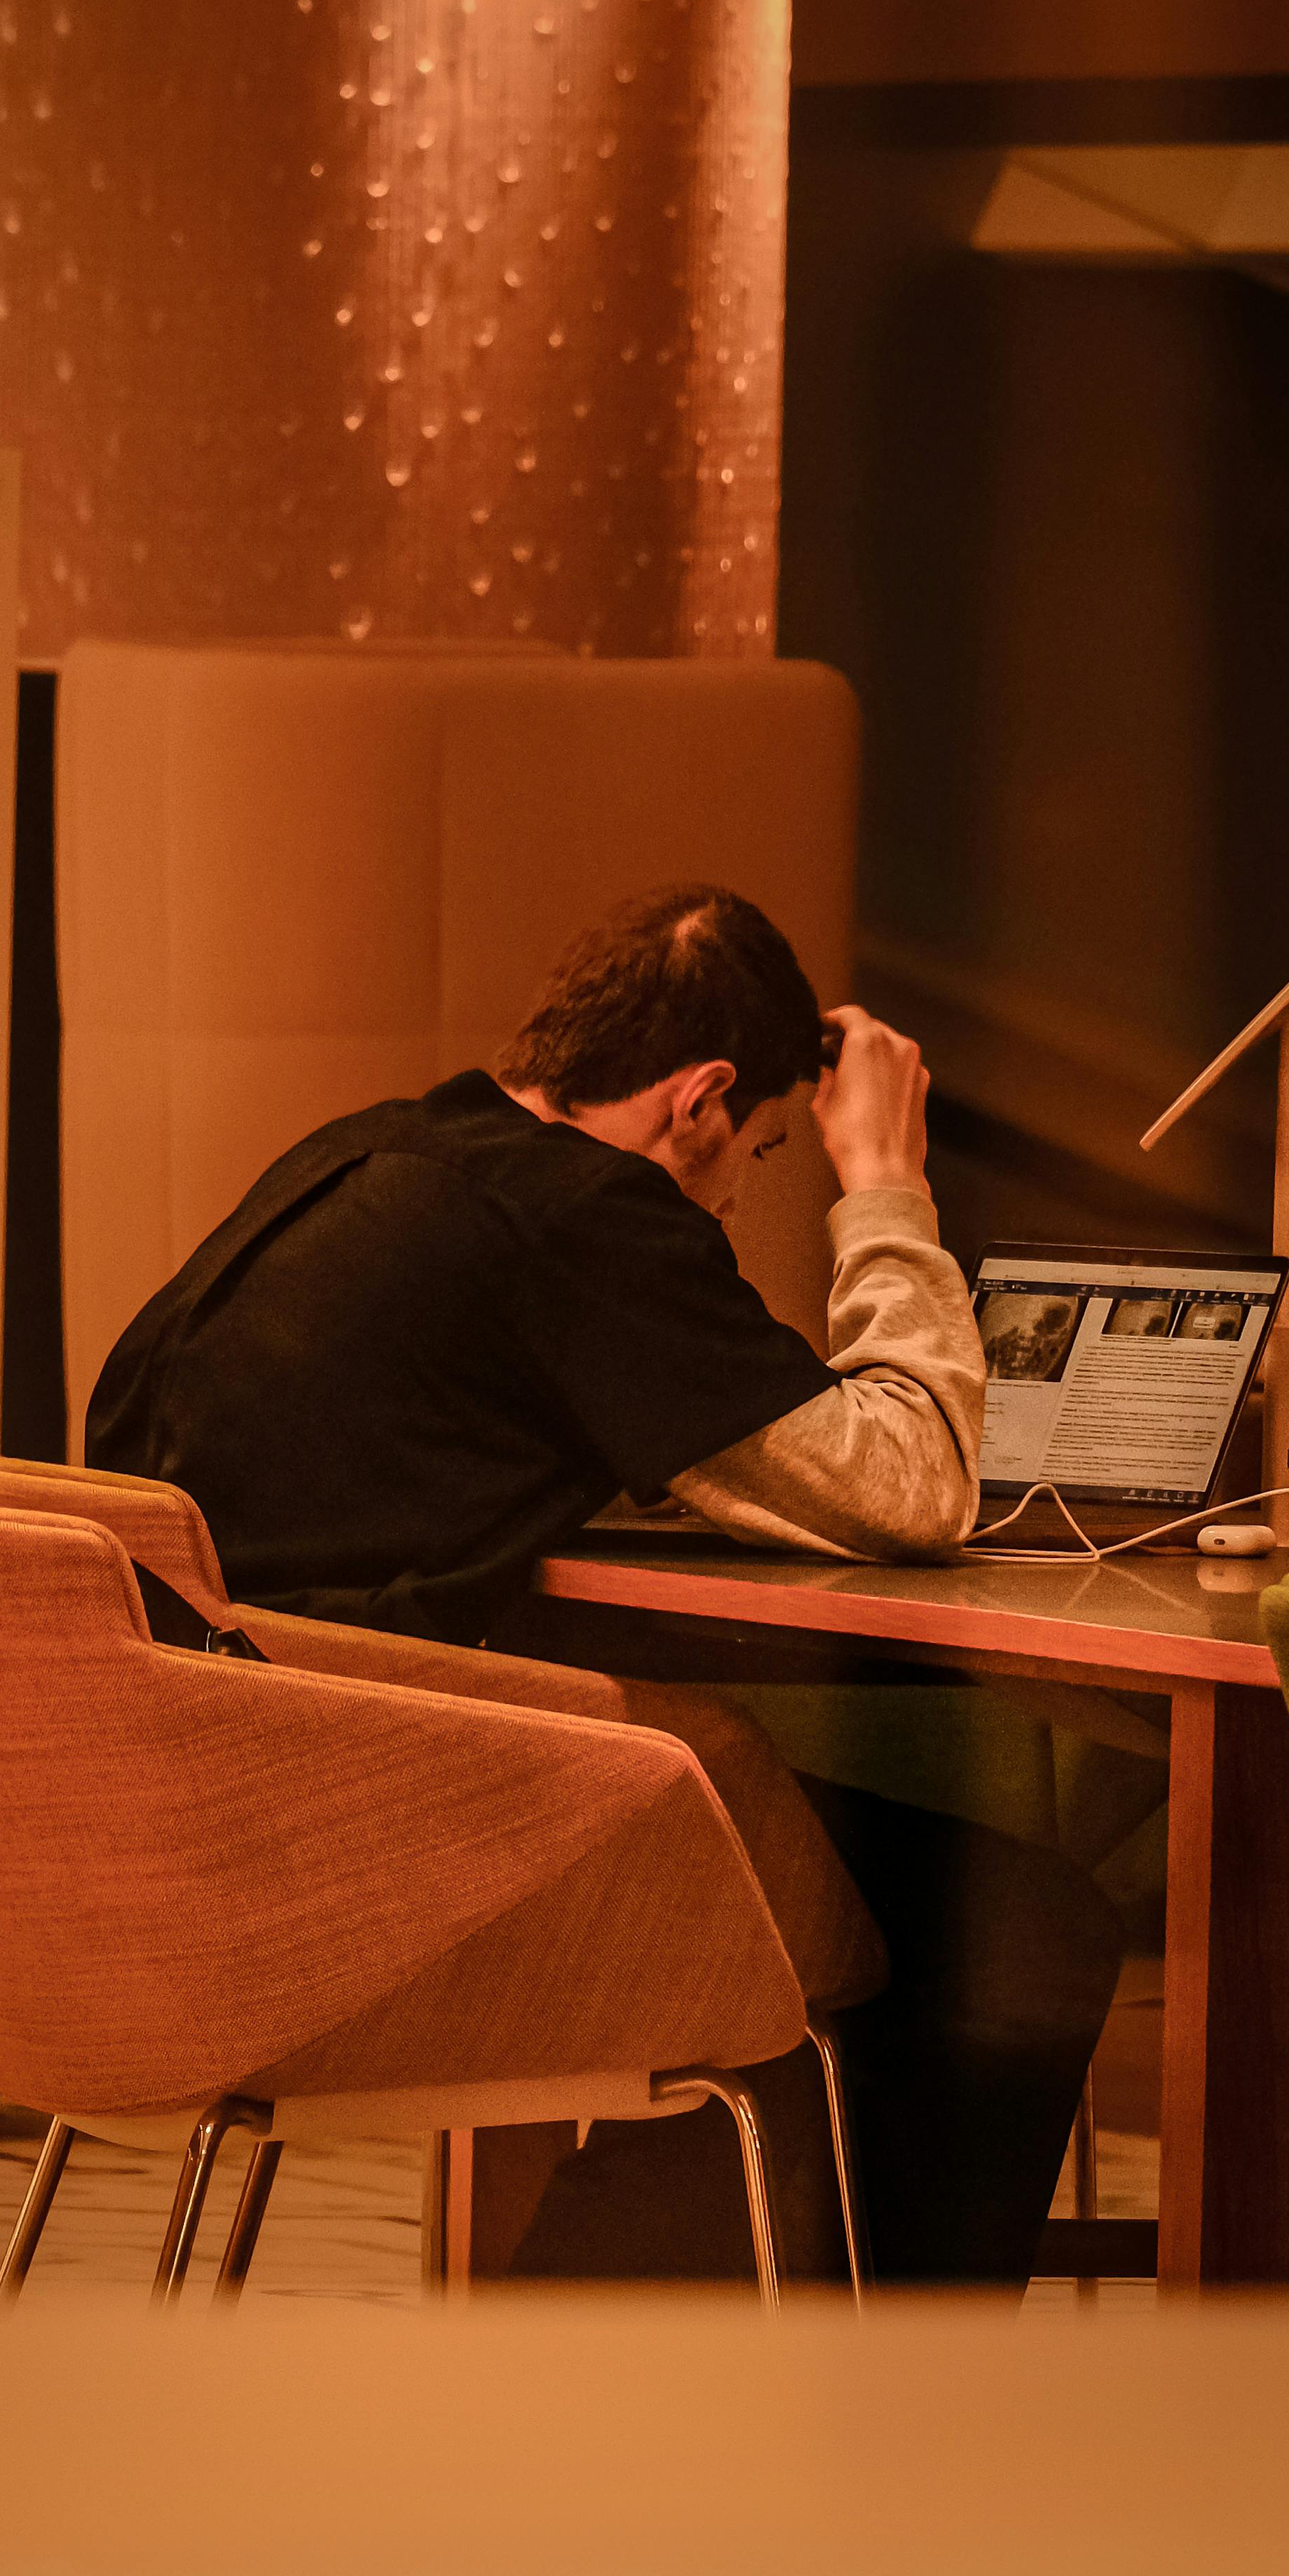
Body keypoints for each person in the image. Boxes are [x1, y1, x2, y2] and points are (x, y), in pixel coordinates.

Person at [86, 883, 1125, 2284]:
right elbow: (913, 1483)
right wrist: (883, 1177)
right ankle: (741, 2390)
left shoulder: (366, 1156)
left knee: (867, 1922)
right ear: (699, 1098)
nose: (738, 1193)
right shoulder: (587, 1218)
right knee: (1010, 1927)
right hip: (364, 1856)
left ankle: (632, 2361)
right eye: (752, 1150)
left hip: (180, 1832)